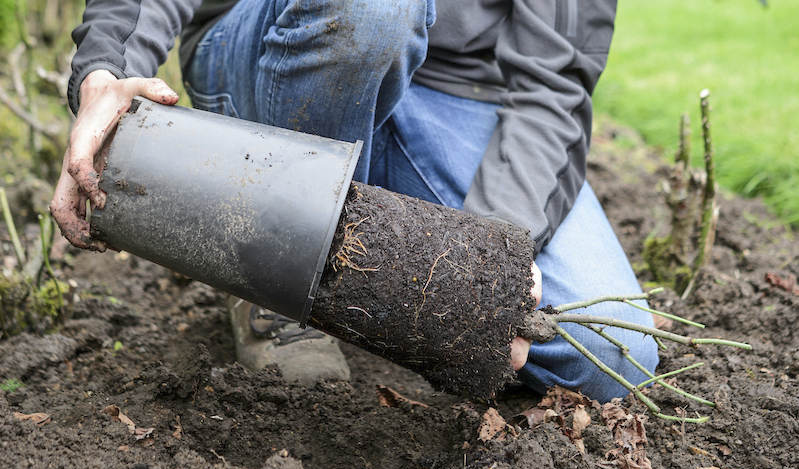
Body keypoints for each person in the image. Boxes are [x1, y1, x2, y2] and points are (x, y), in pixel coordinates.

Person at [51, 0, 658, 402]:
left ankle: (359, 271)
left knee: (612, 353)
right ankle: (274, 276)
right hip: (283, 50)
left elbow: (553, 79)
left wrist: (485, 258)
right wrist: (109, 71)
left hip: (459, 98)